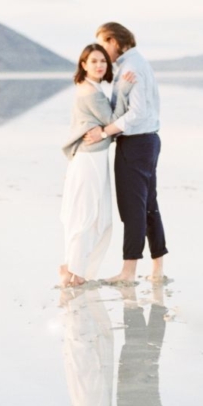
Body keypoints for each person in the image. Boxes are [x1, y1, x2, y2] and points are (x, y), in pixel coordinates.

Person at [83, 22, 167, 283]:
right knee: (148, 207)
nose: (102, 50)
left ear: (113, 40)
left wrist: (104, 132)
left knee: (133, 209)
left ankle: (128, 273)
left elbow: (137, 112)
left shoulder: (131, 67)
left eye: (102, 43)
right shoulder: (136, 63)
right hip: (148, 141)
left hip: (136, 144)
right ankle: (157, 269)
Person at [59, 44, 116, 287]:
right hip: (89, 160)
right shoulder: (90, 92)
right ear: (83, 65)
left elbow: (107, 126)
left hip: (90, 158)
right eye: (93, 61)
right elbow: (115, 122)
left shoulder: (91, 88)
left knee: (87, 213)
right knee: (89, 214)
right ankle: (75, 271)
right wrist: (106, 132)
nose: (99, 65)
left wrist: (103, 132)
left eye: (103, 61)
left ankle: (71, 268)